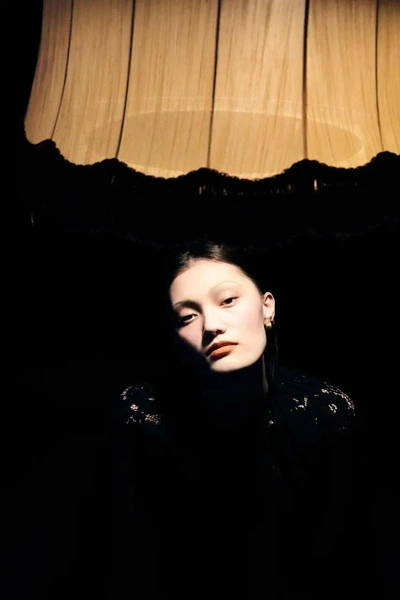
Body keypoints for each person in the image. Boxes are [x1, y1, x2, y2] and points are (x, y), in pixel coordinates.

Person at [112, 241, 372, 599]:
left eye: (228, 300)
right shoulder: (141, 416)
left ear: (268, 307)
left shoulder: (325, 413)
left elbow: (345, 550)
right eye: (187, 317)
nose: (211, 326)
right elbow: (132, 554)